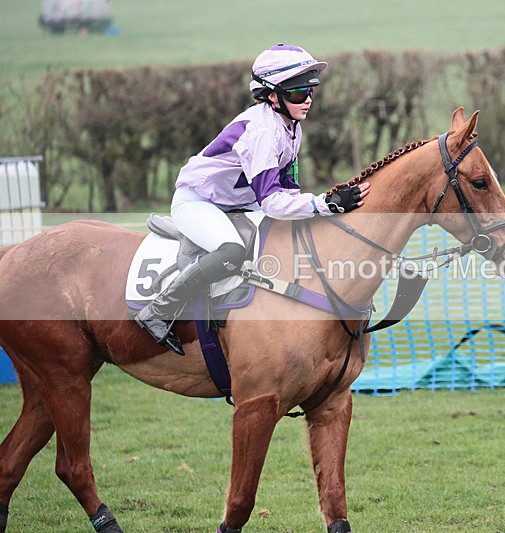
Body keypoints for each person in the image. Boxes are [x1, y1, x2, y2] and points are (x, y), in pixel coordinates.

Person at [135, 44, 370, 355]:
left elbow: (288, 192)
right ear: (272, 95)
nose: (308, 100)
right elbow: (272, 202)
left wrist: (324, 206)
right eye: (298, 93)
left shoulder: (291, 128)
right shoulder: (262, 131)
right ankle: (158, 310)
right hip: (198, 202)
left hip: (236, 205)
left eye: (311, 91)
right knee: (231, 250)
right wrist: (322, 203)